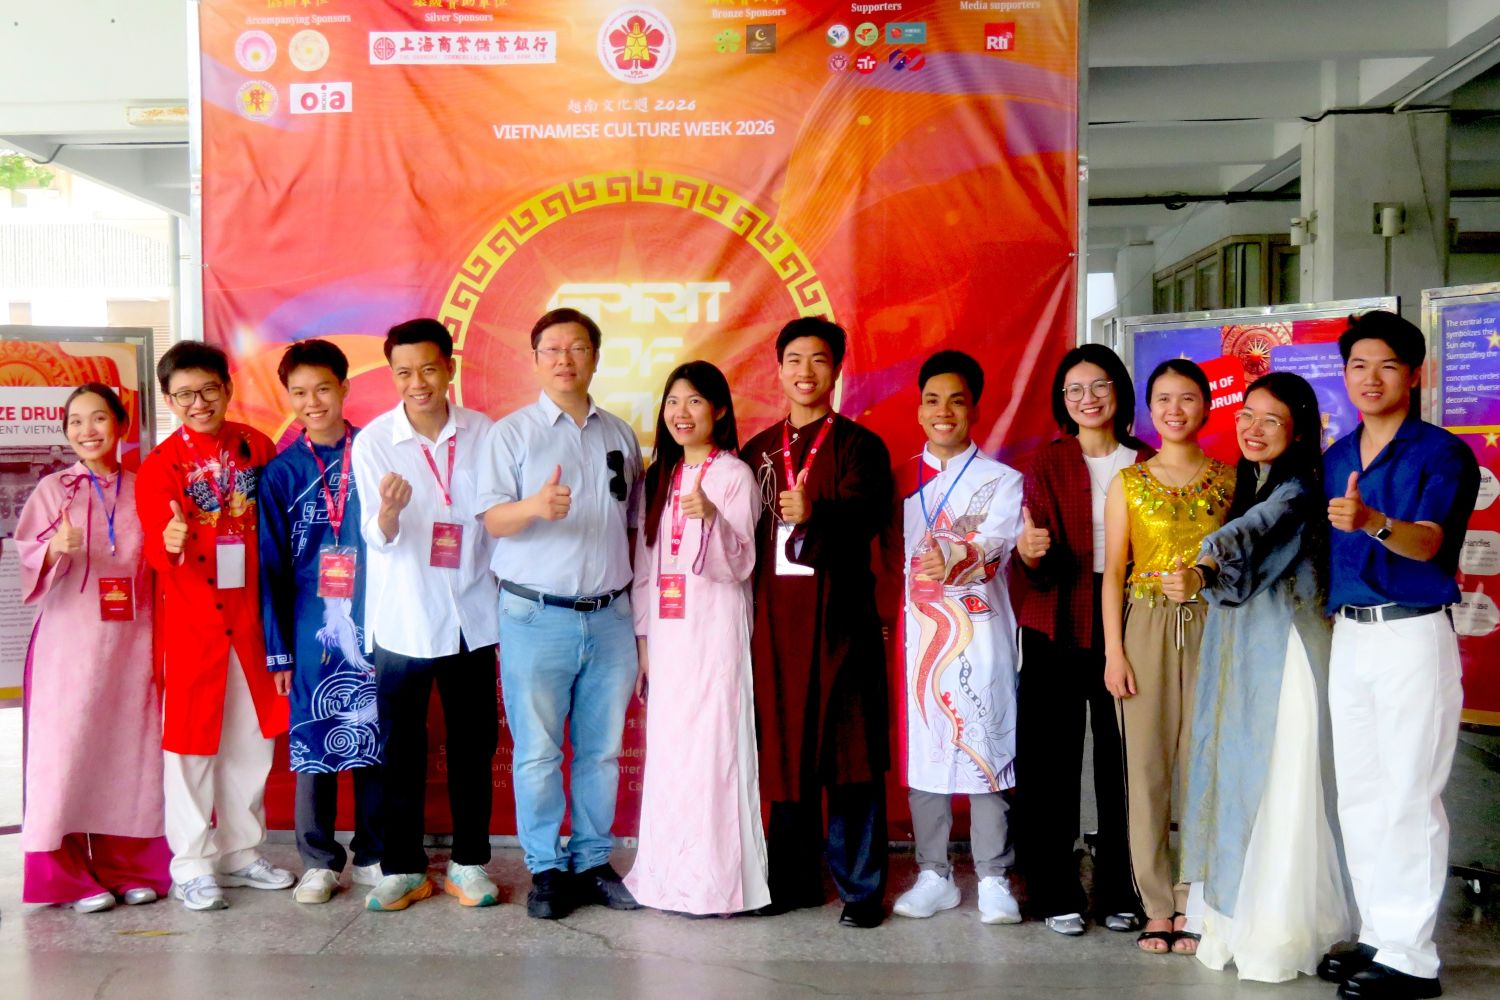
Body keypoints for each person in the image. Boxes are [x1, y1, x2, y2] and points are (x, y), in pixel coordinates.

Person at [1314, 311, 1479, 1000]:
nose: (1370, 378)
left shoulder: (1442, 453)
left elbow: (1429, 543)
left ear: (1415, 374)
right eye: (1358, 365)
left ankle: (1413, 959)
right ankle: (1382, 935)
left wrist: (1375, 522)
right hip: (1350, 634)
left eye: (1386, 365)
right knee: (1362, 794)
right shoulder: (1336, 455)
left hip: (1412, 634)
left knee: (1411, 793)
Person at [1167, 372, 1352, 981]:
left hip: (1284, 665)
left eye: (1272, 420)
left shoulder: (1296, 491)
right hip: (1247, 658)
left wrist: (1202, 563)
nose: (1254, 428)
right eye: (1247, 414)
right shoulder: (1255, 483)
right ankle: (1240, 920)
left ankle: (1275, 934)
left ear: (1297, 432)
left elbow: (1247, 533)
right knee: (1241, 782)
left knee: (1275, 789)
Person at [477, 308, 643, 920]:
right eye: (552, 348)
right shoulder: (512, 434)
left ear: (595, 357)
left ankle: (593, 861)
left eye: (577, 347)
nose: (565, 358)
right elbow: (492, 520)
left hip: (610, 617)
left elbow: (633, 524)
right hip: (534, 617)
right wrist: (533, 507)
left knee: (601, 750)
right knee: (539, 752)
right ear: (536, 358)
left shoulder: (621, 435)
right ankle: (546, 867)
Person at [742, 316, 894, 929]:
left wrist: (816, 511)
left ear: (837, 370)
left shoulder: (861, 446)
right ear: (778, 369)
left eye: (819, 360)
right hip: (776, 627)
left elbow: (869, 517)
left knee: (851, 756)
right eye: (794, 360)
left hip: (841, 624)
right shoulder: (756, 451)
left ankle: (861, 890)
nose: (806, 372)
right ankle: (792, 880)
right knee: (785, 754)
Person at [135, 342, 294, 911]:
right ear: (169, 401)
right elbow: (154, 546)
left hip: (253, 619)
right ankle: (193, 863)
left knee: (250, 743)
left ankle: (241, 852)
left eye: (207, 390)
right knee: (188, 746)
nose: (198, 403)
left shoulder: (257, 447)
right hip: (193, 625)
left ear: (227, 387)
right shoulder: (157, 467)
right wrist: (168, 541)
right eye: (184, 395)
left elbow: (279, 527)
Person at [350, 318, 500, 912]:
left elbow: (496, 520)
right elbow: (374, 536)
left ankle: (469, 863)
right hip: (404, 618)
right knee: (401, 749)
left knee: (473, 746)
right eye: (404, 372)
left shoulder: (486, 434)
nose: (417, 383)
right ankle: (403, 867)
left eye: (428, 369)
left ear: (450, 369)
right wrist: (387, 512)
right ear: (393, 376)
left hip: (473, 614)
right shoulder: (375, 443)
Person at [1012, 344, 1150, 936]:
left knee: (1125, 761)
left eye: (1098, 386)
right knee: (1051, 762)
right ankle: (1054, 889)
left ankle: (1126, 885)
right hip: (1056, 619)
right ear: (1062, 402)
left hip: (1130, 622)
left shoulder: (1146, 461)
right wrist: (1029, 554)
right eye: (1074, 390)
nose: (1087, 398)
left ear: (1119, 391)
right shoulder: (1046, 463)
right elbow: (1030, 550)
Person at [623, 361, 770, 916]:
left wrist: (711, 517)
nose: (681, 414)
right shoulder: (657, 476)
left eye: (695, 402)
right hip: (666, 637)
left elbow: (739, 565)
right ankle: (663, 879)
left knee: (714, 751)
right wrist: (643, 646)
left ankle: (718, 885)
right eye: (673, 403)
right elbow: (644, 568)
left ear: (720, 410)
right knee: (669, 756)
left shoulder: (733, 474)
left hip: (715, 634)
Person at [16, 384, 170, 912]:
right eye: (76, 422)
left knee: (127, 751)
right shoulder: (53, 490)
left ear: (121, 425)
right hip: (69, 643)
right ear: (66, 432)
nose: (87, 431)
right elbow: (26, 555)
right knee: (67, 753)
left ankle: (129, 866)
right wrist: (52, 547)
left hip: (132, 641)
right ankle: (67, 876)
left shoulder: (144, 486)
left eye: (98, 418)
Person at [1102, 357, 1234, 954]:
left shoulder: (1233, 481)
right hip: (1144, 626)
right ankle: (1157, 903)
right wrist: (1114, 651)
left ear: (1206, 406)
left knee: (1205, 769)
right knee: (1147, 771)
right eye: (1163, 400)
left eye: (1186, 399)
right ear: (1147, 410)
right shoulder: (1128, 481)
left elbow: (1241, 564)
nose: (1174, 410)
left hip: (1214, 628)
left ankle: (1197, 897)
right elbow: (1112, 574)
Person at [891, 351, 1024, 926]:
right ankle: (933, 873)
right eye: (932, 399)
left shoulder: (1003, 480)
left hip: (980, 630)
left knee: (985, 742)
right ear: (919, 409)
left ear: (974, 408)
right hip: (918, 635)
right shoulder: (898, 479)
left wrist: (948, 553)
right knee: (927, 748)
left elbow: (993, 551)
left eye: (956, 400)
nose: (943, 411)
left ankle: (994, 876)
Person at [258, 340, 383, 905]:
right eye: (300, 393)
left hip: (380, 619)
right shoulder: (281, 473)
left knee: (377, 734)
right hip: (312, 624)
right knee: (314, 739)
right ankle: (318, 861)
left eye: (323, 389)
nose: (313, 402)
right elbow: (271, 568)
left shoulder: (379, 453)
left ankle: (377, 852)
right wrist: (279, 651)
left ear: (345, 388)